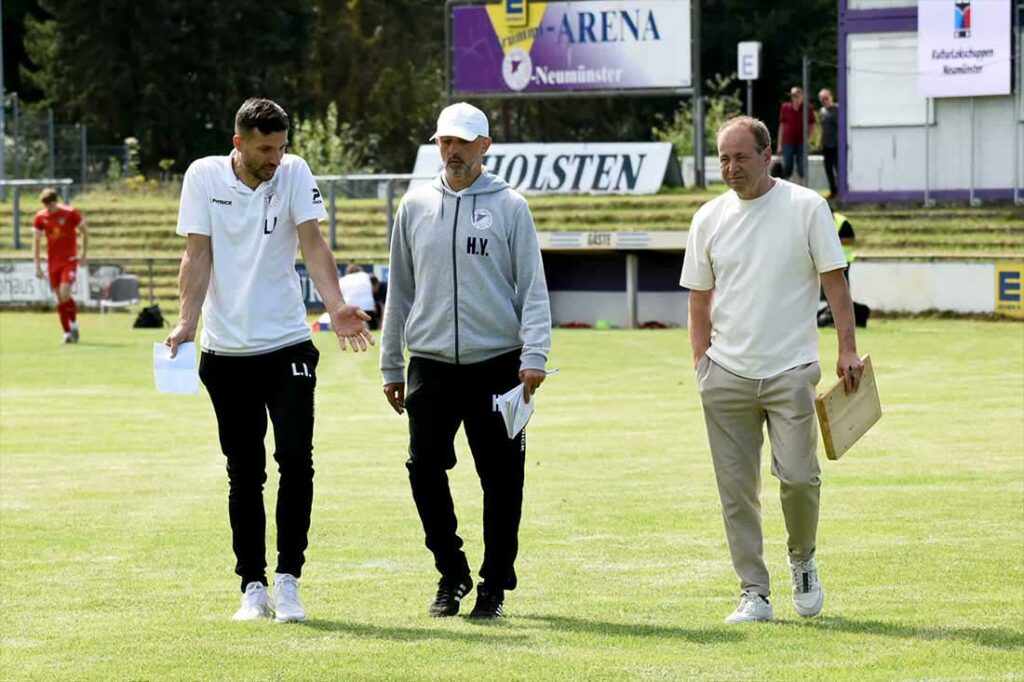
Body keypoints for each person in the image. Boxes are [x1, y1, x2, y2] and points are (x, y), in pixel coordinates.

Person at [165, 98, 374, 623]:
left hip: (287, 345)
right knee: (245, 473)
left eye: (281, 147)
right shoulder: (203, 176)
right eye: (265, 148)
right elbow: (197, 254)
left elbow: (313, 242)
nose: (276, 158)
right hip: (226, 352)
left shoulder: (295, 171)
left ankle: (289, 579)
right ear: (238, 143)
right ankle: (252, 586)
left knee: (297, 461)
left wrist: (336, 308)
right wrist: (186, 324)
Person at [681, 115, 864, 624]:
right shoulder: (708, 218)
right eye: (723, 158)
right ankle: (753, 592)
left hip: (791, 370)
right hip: (726, 375)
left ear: (768, 156)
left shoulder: (807, 207)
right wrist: (702, 366)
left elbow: (836, 285)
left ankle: (802, 561)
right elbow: (699, 300)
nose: (731, 168)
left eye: (741, 157)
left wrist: (847, 349)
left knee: (801, 478)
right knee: (736, 492)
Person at [380, 102, 552, 620]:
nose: (452, 151)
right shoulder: (413, 205)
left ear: (484, 147)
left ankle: (494, 584)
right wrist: (391, 364)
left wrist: (536, 353)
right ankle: (451, 572)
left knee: (502, 478)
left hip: (497, 364)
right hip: (429, 365)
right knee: (422, 469)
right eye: (444, 142)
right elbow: (400, 292)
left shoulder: (510, 206)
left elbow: (533, 287)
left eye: (462, 142)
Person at [33, 188, 88, 343]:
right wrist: (37, 265)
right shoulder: (40, 217)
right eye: (45, 206)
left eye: (49, 205)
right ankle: (67, 332)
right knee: (59, 297)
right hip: (53, 262)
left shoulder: (70, 213)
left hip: (69, 260)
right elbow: (36, 242)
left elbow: (85, 231)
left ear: (56, 202)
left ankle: (74, 323)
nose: (47, 209)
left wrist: (83, 255)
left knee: (65, 292)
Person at [776, 86, 816, 185]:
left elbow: (812, 124)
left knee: (802, 168)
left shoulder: (807, 108)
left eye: (797, 96)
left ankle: (802, 189)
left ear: (802, 96)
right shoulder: (785, 107)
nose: (795, 98)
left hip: (802, 142)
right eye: (793, 96)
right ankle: (785, 189)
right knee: (787, 167)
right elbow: (782, 126)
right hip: (788, 142)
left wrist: (808, 138)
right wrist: (779, 145)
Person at [338, 264, 379, 329]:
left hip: (350, 308)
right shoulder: (366, 276)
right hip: (368, 308)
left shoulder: (342, 279)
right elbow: (373, 290)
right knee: (373, 327)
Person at [818, 89, 840, 199]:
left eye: (826, 98)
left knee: (838, 169)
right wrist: (820, 142)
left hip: (836, 144)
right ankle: (833, 190)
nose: (824, 101)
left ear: (831, 97)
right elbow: (822, 128)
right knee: (828, 169)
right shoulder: (822, 111)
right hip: (826, 144)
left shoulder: (838, 109)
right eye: (822, 99)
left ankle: (840, 190)